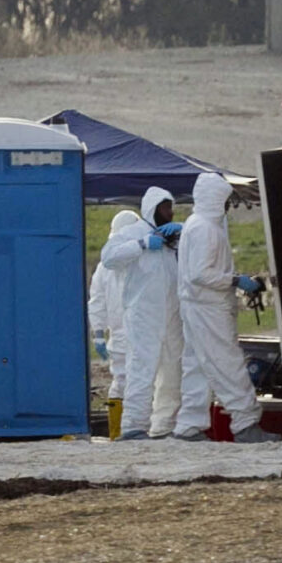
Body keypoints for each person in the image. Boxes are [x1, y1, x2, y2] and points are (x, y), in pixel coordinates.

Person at [173, 172, 279, 443]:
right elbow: (200, 274)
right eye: (226, 200)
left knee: (196, 366)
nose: (229, 206)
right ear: (216, 199)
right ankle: (245, 423)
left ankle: (189, 426)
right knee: (227, 363)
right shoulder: (206, 229)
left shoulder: (195, 224)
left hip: (195, 305)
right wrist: (234, 280)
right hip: (209, 307)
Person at [108, 186, 185, 442]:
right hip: (143, 315)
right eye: (165, 208)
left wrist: (183, 233)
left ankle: (164, 425)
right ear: (152, 208)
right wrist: (141, 244)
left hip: (172, 314)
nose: (170, 213)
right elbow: (109, 257)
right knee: (142, 369)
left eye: (171, 208)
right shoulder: (133, 233)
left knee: (174, 369)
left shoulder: (172, 239)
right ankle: (133, 426)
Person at [87, 209, 142, 405]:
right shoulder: (105, 266)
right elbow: (97, 300)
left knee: (135, 382)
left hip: (139, 331)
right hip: (121, 333)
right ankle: (120, 430)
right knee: (123, 382)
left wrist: (100, 333)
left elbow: (97, 301)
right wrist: (99, 332)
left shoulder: (141, 260)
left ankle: (127, 428)